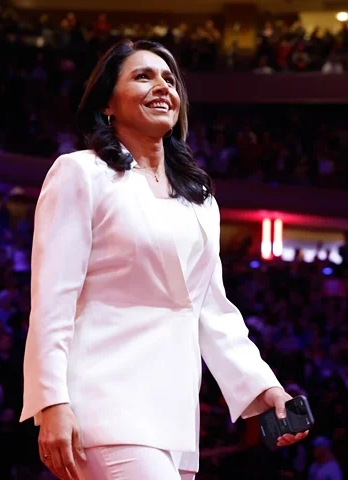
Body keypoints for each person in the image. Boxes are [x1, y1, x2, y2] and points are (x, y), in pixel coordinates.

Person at [20, 39, 308, 480]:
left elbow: (212, 312)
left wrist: (265, 387)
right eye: (142, 76)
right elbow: (52, 300)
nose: (162, 87)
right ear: (107, 104)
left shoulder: (199, 200)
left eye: (169, 80)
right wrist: (51, 402)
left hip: (173, 414)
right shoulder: (81, 173)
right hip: (101, 400)